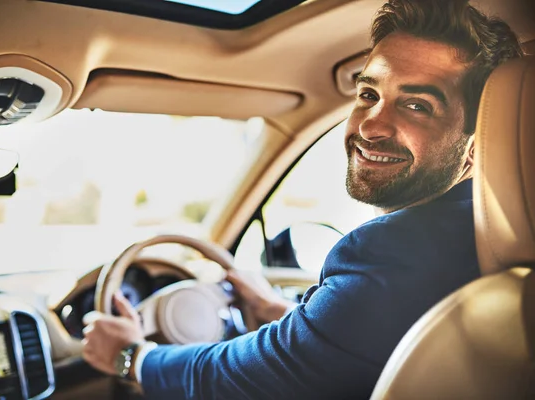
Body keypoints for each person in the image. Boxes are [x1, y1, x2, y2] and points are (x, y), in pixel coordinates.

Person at [82, 0, 525, 398]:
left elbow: (245, 377)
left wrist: (130, 356)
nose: (371, 125)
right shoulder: (481, 240)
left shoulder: (395, 252)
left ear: (476, 141)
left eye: (417, 106)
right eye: (368, 94)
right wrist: (281, 312)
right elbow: (349, 344)